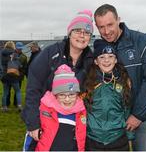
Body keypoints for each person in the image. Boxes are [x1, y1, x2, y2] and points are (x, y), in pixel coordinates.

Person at [94, 4, 146, 151]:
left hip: (140, 116)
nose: (106, 31)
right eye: (101, 27)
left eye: (110, 24)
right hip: (111, 118)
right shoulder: (99, 49)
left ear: (118, 20)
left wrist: (138, 115)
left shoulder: (142, 42)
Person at [21, 9, 93, 140]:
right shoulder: (50, 54)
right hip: (46, 118)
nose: (82, 35)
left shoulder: (91, 61)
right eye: (77, 31)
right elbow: (33, 87)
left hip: (72, 123)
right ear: (69, 33)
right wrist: (33, 123)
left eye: (87, 32)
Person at [84, 39, 134, 151]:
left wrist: (129, 136)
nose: (106, 60)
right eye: (102, 57)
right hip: (93, 139)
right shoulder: (87, 82)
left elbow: (127, 110)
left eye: (110, 56)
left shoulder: (124, 81)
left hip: (118, 139)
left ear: (116, 60)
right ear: (96, 61)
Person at [23, 64, 86, 151]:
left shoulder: (82, 112)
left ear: (77, 94)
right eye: (62, 95)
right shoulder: (43, 111)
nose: (67, 99)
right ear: (55, 95)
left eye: (71, 94)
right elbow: (31, 137)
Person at [1, 41, 22, 112]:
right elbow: (19, 65)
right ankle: (19, 106)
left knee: (5, 92)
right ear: (13, 46)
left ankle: (4, 107)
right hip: (14, 75)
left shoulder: (1, 53)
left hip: (5, 75)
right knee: (18, 91)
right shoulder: (15, 53)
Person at [6, 41, 27, 107]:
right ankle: (7, 103)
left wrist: (21, 74)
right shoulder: (10, 54)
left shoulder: (24, 57)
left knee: (17, 91)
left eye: (21, 48)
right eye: (18, 48)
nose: (19, 50)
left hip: (18, 76)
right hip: (9, 75)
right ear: (16, 48)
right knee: (8, 90)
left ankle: (16, 103)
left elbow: (25, 67)